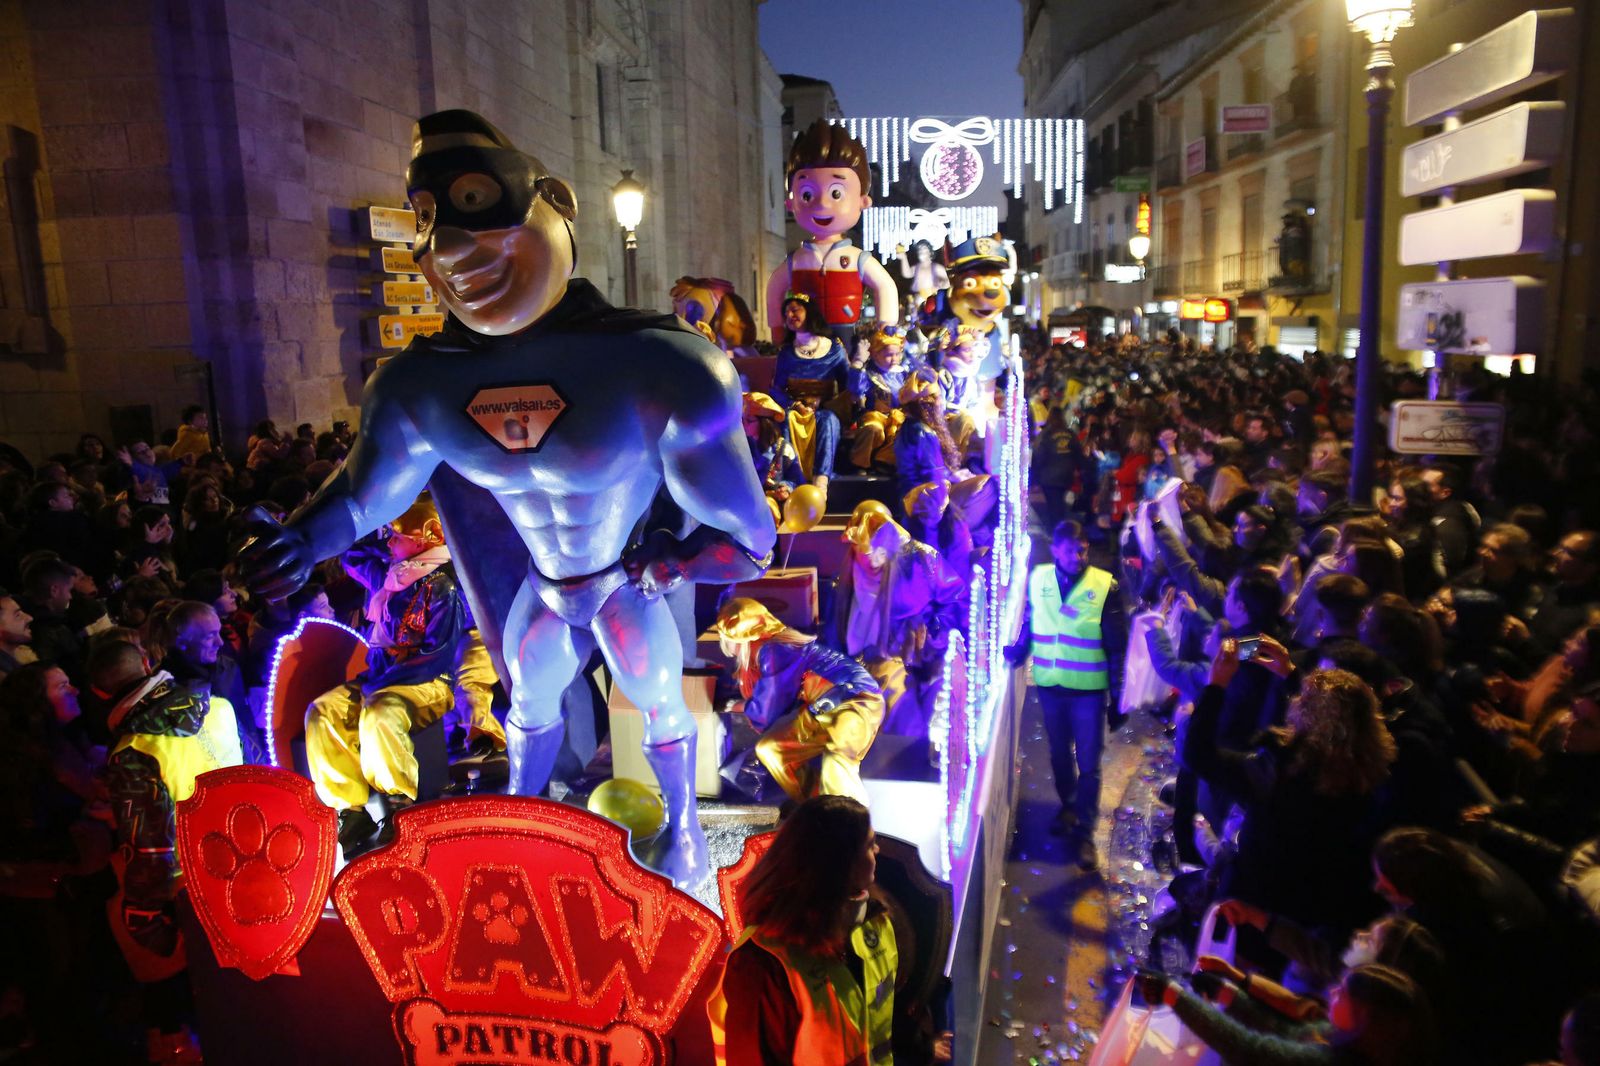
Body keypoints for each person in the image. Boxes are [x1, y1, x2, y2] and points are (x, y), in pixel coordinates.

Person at [238, 109, 774, 892]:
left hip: (620, 579)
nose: (449, 248)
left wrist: (679, 557)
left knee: (659, 704)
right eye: (426, 222)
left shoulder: (660, 369)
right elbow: (361, 496)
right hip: (548, 586)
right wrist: (302, 537)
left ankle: (683, 832)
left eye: (476, 203)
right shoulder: (423, 384)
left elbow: (750, 533)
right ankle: (526, 828)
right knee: (527, 706)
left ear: (552, 201)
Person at [303, 495, 479, 857]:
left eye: (397, 535)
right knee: (323, 711)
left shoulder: (442, 586)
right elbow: (352, 555)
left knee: (381, 711)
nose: (389, 541)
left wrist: (380, 686)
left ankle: (400, 804)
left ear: (423, 540)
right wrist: (369, 511)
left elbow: (435, 656)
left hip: (427, 684)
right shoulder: (390, 576)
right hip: (379, 682)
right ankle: (349, 809)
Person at [708, 795, 896, 1066]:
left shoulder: (876, 923)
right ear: (838, 865)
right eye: (869, 845)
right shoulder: (762, 963)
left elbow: (880, 1018)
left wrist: (921, 1047)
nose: (877, 850)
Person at [1009, 520, 1127, 868]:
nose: (1079, 556)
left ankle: (1085, 831)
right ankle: (1069, 807)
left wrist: (1119, 697)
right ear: (1056, 549)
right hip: (1051, 684)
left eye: (1084, 549)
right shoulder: (1039, 578)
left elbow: (1117, 646)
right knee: (1059, 754)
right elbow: (1031, 622)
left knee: (1088, 762)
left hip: (1089, 691)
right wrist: (1017, 651)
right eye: (1072, 549)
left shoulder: (1106, 586)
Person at [714, 598, 884, 806]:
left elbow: (768, 706)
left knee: (837, 762)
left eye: (726, 638)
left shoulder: (774, 650)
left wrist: (737, 706)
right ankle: (817, 809)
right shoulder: (772, 648)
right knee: (773, 748)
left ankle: (851, 827)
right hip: (823, 708)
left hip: (855, 701)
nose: (726, 645)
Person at [765, 119, 898, 343]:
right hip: (806, 335)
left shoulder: (858, 259)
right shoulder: (797, 260)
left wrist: (885, 326)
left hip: (845, 334)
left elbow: (885, 286)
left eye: (836, 193)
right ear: (791, 204)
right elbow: (774, 289)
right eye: (807, 195)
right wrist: (776, 328)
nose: (822, 205)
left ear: (862, 201)